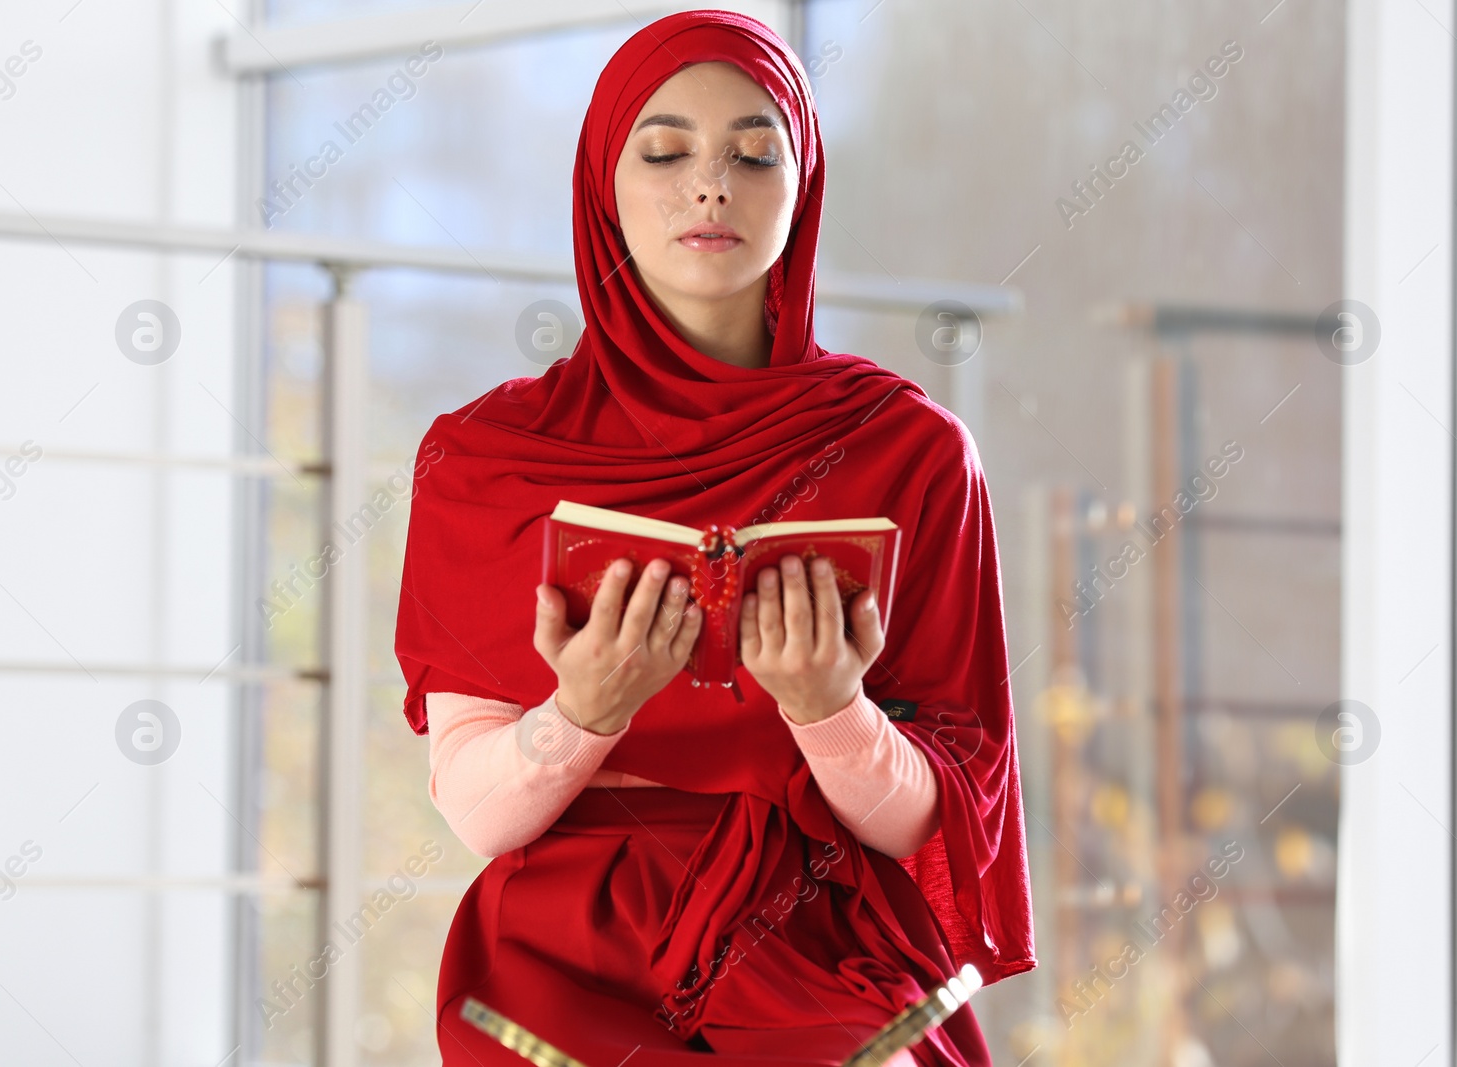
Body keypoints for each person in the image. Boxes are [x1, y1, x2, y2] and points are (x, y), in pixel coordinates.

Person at [393, 9, 1036, 1065]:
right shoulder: (483, 458)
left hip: (825, 930)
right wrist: (583, 711)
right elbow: (478, 812)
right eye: (664, 151)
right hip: (564, 938)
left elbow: (938, 821)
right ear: (604, 182)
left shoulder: (913, 450)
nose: (711, 185)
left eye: (753, 151)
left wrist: (832, 713)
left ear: (805, 182)